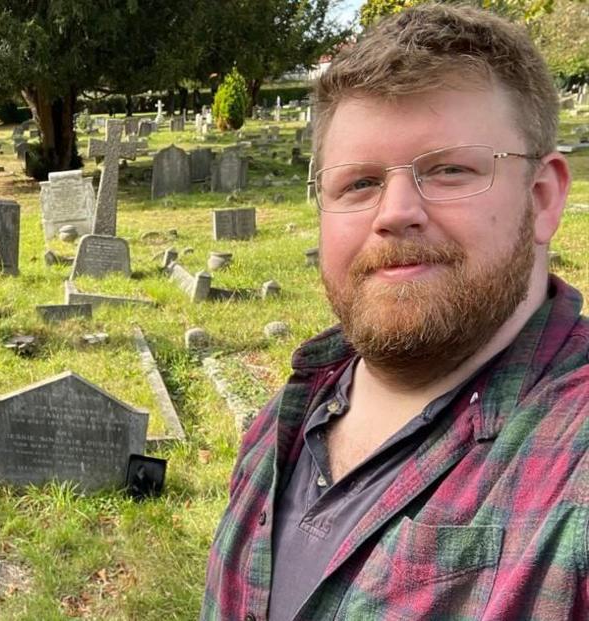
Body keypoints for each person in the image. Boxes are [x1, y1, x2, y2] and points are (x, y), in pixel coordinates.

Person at [201, 5, 581, 620]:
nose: (395, 211)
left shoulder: (572, 465)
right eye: (358, 183)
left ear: (540, 199)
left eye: (451, 169)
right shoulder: (282, 423)